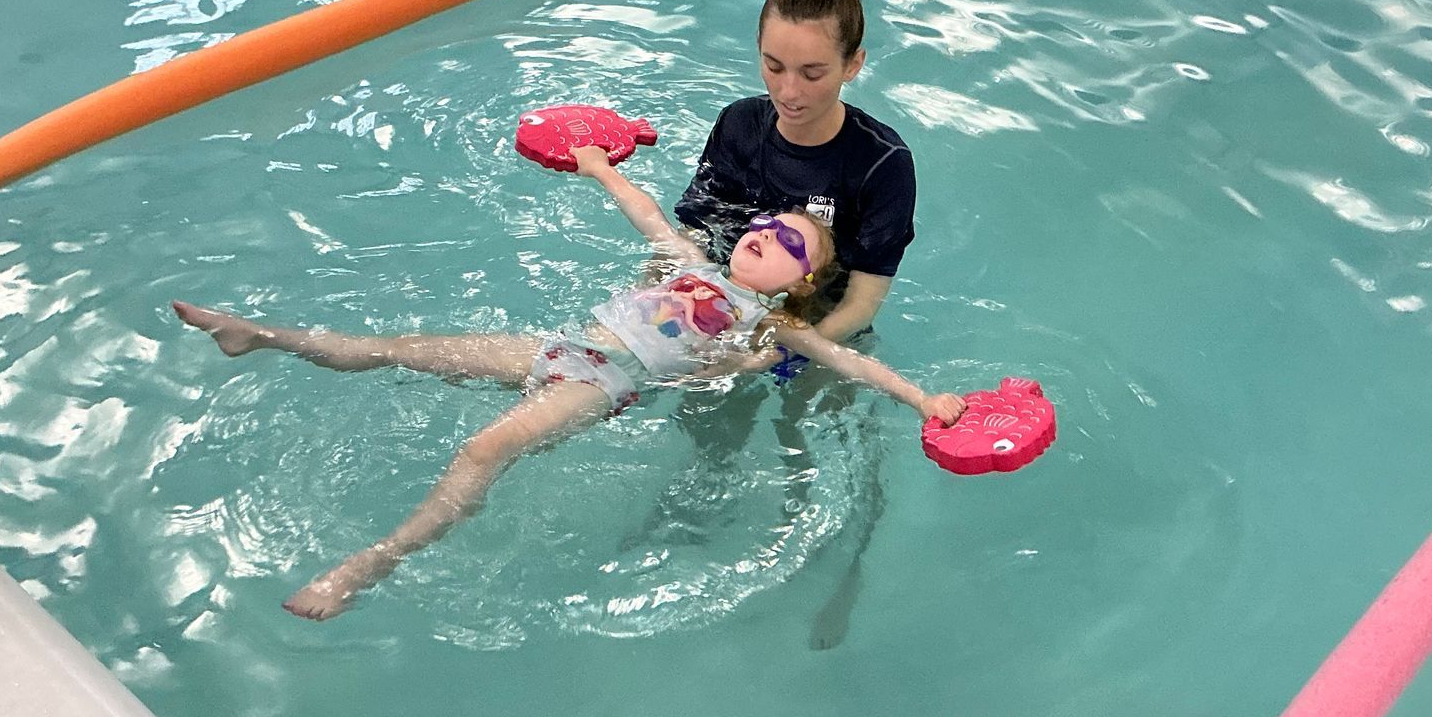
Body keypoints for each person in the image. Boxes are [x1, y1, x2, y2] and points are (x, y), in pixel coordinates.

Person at [172, 145, 963, 621]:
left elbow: (852, 360)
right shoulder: (691, 265)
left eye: (789, 240)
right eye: (764, 225)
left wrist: (926, 401)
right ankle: (261, 336)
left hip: (605, 381)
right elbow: (647, 213)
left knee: (486, 449)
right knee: (404, 347)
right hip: (558, 348)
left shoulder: (773, 328)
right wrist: (596, 168)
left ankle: (371, 563)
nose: (764, 234)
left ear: (802, 280)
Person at [675, 0, 914, 362]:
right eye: (773, 65)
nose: (788, 91)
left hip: (823, 331)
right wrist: (657, 295)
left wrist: (768, 353)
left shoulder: (882, 165)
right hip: (722, 305)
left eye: (811, 73)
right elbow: (694, 235)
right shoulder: (739, 125)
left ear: (852, 65)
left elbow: (860, 305)